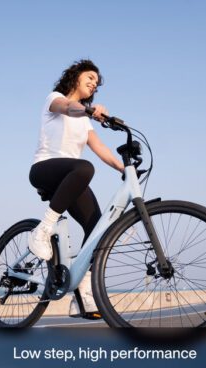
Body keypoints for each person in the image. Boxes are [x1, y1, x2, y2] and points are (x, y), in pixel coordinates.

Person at [28, 59, 124, 319]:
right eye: (90, 77)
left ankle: (81, 290)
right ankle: (42, 229)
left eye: (97, 82)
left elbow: (101, 149)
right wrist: (88, 110)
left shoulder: (86, 122)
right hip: (45, 169)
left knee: (98, 228)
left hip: (71, 178)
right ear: (75, 77)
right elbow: (68, 108)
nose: (94, 83)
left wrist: (124, 169)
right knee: (84, 168)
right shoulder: (55, 98)